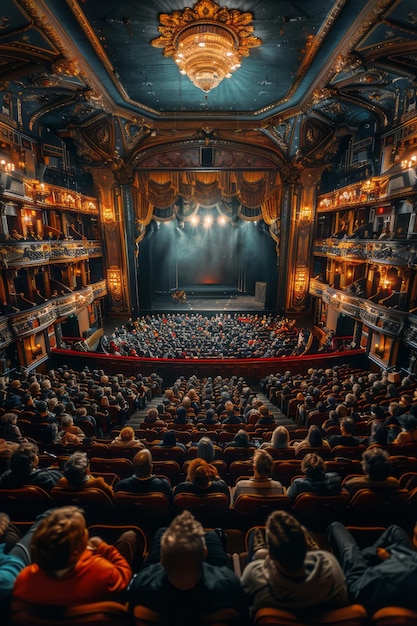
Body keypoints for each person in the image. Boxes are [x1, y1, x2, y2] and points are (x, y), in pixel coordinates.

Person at [128, 510, 248, 625]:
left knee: (162, 531)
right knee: (211, 535)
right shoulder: (229, 585)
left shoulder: (141, 584)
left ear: (162, 561)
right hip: (216, 591)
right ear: (205, 553)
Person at [12, 506, 134, 606]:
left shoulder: (23, 580)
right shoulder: (101, 571)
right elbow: (124, 573)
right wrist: (104, 548)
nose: (87, 531)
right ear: (76, 550)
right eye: (84, 529)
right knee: (129, 537)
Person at [241, 510, 347, 615]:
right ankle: (312, 548)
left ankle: (260, 549)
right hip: (321, 610)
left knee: (259, 554)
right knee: (317, 554)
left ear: (271, 555)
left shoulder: (253, 576)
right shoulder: (329, 563)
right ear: (305, 551)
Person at [328, 522, 417, 615]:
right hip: (395, 569)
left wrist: (377, 554)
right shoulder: (410, 560)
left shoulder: (403, 570)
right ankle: (362, 556)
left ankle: (346, 568)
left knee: (336, 527)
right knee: (394, 530)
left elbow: (370, 581)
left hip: (358, 583)